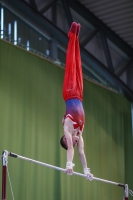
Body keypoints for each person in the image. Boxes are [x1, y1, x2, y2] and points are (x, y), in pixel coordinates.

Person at [60, 22, 93, 180]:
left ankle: (72, 35)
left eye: (71, 142)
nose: (75, 142)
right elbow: (81, 152)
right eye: (74, 142)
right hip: (79, 95)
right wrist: (86, 170)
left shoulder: (67, 126)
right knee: (78, 64)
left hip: (69, 93)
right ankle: (77, 37)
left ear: (67, 139)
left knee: (71, 63)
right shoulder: (79, 134)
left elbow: (71, 151)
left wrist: (69, 165)